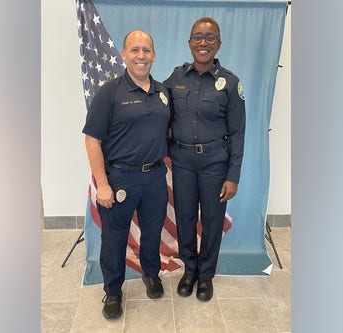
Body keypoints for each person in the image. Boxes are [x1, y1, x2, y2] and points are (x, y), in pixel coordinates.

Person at [82, 29, 170, 319]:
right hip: (120, 179)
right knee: (115, 238)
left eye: (146, 50)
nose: (141, 56)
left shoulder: (163, 93)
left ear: (154, 56)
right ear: (124, 54)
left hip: (155, 176)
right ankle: (113, 290)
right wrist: (103, 185)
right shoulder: (109, 92)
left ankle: (151, 274)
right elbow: (92, 140)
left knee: (153, 231)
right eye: (135, 50)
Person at [164, 17, 246, 302]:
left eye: (210, 37)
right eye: (197, 36)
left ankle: (206, 276)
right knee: (185, 218)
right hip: (183, 162)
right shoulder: (176, 78)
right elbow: (157, 106)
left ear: (219, 43)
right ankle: (190, 270)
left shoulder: (231, 83)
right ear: (189, 43)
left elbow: (237, 133)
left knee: (212, 222)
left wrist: (232, 176)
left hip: (215, 164)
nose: (203, 42)